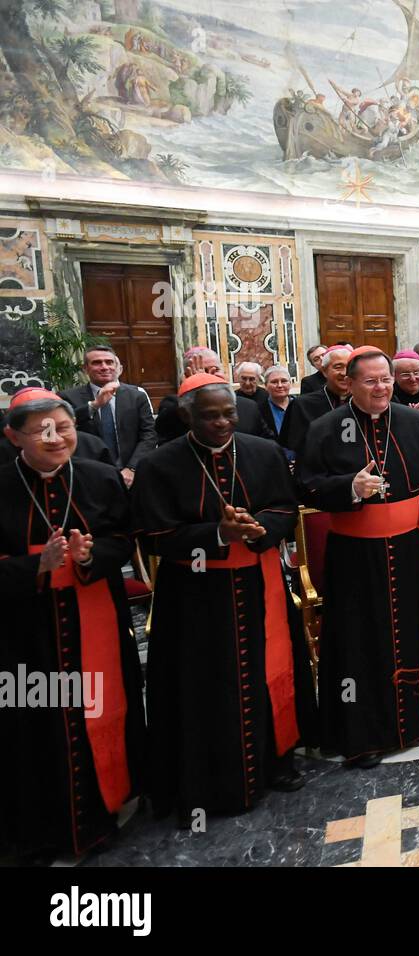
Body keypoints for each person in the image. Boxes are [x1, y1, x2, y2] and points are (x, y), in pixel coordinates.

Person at [132, 375, 305, 825]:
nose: (223, 423)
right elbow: (152, 537)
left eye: (229, 413)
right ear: (188, 415)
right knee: (202, 684)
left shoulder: (262, 452)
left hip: (258, 581)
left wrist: (261, 527)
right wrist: (216, 534)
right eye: (211, 416)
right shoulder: (159, 465)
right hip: (194, 596)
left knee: (269, 671)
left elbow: (287, 508)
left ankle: (275, 762)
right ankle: (204, 778)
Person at [0, 388, 146, 861]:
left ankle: (107, 808)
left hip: (95, 615)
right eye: (42, 431)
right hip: (25, 632)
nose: (56, 439)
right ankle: (41, 828)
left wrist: (92, 555)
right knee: (35, 726)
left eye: (63, 429)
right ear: (12, 436)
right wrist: (35, 567)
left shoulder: (101, 478)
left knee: (103, 708)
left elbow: (124, 540)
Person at [295, 347, 419, 767]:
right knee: (360, 640)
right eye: (371, 381)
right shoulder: (326, 427)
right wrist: (349, 487)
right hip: (353, 551)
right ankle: (361, 733)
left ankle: (415, 718)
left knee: (410, 629)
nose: (382, 388)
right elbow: (306, 488)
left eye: (386, 379)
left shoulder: (416, 422)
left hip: (407, 546)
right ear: (349, 383)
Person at [60, 345, 156, 488]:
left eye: (109, 362)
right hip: (89, 476)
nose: (104, 367)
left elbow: (149, 435)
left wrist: (131, 468)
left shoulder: (136, 396)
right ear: (85, 368)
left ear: (117, 366)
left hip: (132, 475)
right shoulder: (68, 397)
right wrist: (94, 405)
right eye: (97, 363)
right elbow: (64, 429)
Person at [156, 349, 274, 445]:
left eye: (216, 369)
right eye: (205, 371)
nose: (212, 376)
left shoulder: (249, 406)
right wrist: (196, 390)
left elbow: (267, 443)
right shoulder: (174, 405)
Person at [280, 345, 351, 456]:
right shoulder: (302, 404)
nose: (344, 373)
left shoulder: (363, 402)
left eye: (349, 367)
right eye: (338, 367)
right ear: (324, 371)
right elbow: (296, 444)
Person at [260, 365, 295, 440]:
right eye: (274, 382)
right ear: (266, 386)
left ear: (290, 384)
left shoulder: (302, 406)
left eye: (284, 381)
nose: (279, 385)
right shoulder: (259, 410)